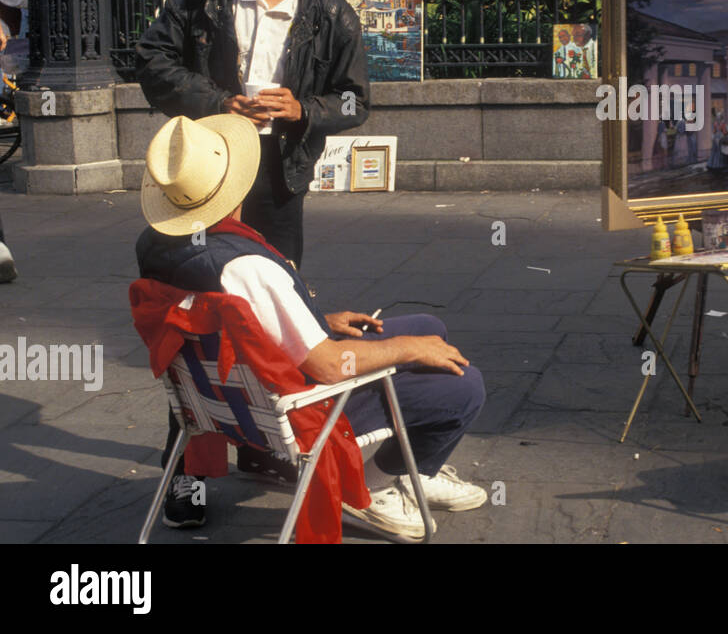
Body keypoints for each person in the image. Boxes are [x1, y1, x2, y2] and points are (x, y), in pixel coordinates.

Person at [136, 113, 486, 538]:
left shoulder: (156, 246)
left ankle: (419, 471)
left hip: (225, 400)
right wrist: (411, 349)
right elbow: (328, 367)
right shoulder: (245, 266)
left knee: (430, 325)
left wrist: (316, 321)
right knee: (464, 385)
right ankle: (371, 490)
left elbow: (238, 321)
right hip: (296, 405)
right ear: (236, 184)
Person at [135, 0, 372, 519]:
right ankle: (187, 468)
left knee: (273, 316)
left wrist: (305, 109)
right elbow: (150, 60)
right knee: (194, 318)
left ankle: (266, 442)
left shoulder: (328, 11)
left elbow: (355, 102)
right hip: (209, 174)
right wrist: (215, 101)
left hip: (276, 179)